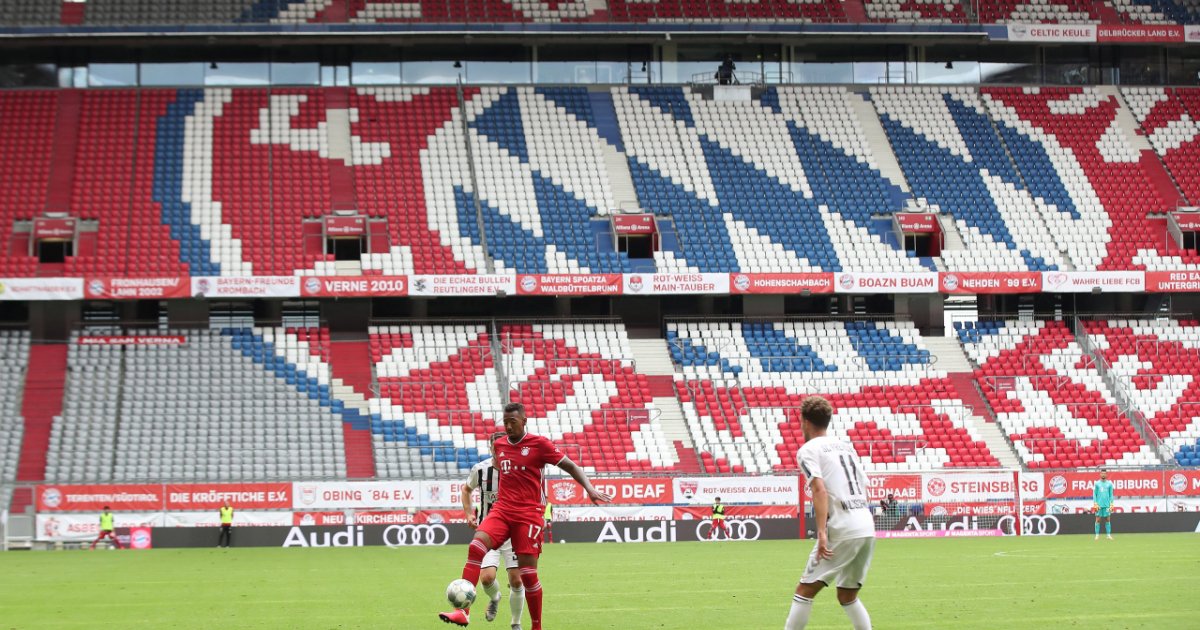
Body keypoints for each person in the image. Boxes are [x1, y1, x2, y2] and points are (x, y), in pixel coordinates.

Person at [439, 403, 612, 629]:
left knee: (528, 575)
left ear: (524, 421)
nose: (509, 426)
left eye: (513, 422)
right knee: (476, 547)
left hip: (528, 515)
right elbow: (499, 467)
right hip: (502, 510)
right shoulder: (499, 446)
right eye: (505, 422)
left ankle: (535, 626)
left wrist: (589, 489)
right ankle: (463, 612)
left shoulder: (539, 444)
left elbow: (570, 466)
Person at [786, 396, 874, 630]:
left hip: (843, 527)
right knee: (847, 595)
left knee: (805, 589)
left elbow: (819, 489)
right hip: (865, 525)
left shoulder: (808, 450)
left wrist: (822, 532)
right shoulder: (845, 446)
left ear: (804, 422)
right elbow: (864, 485)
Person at [464, 432, 525, 630]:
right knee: (487, 578)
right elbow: (466, 490)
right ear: (491, 448)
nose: (499, 452)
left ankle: (516, 624)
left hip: (513, 533)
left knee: (516, 581)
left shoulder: (518, 470)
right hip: (488, 533)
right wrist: (468, 514)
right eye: (495, 448)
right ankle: (495, 597)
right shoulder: (480, 469)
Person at [1093, 468, 1115, 541]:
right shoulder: (1096, 483)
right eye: (1102, 473)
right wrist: (1095, 503)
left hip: (1107, 505)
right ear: (1100, 474)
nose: (1103, 474)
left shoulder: (1109, 484)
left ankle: (1108, 535)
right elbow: (1094, 494)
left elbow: (1111, 494)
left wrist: (1111, 503)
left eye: (1104, 473)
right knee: (1098, 519)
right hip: (1099, 505)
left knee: (1107, 519)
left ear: (1106, 474)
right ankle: (1097, 535)